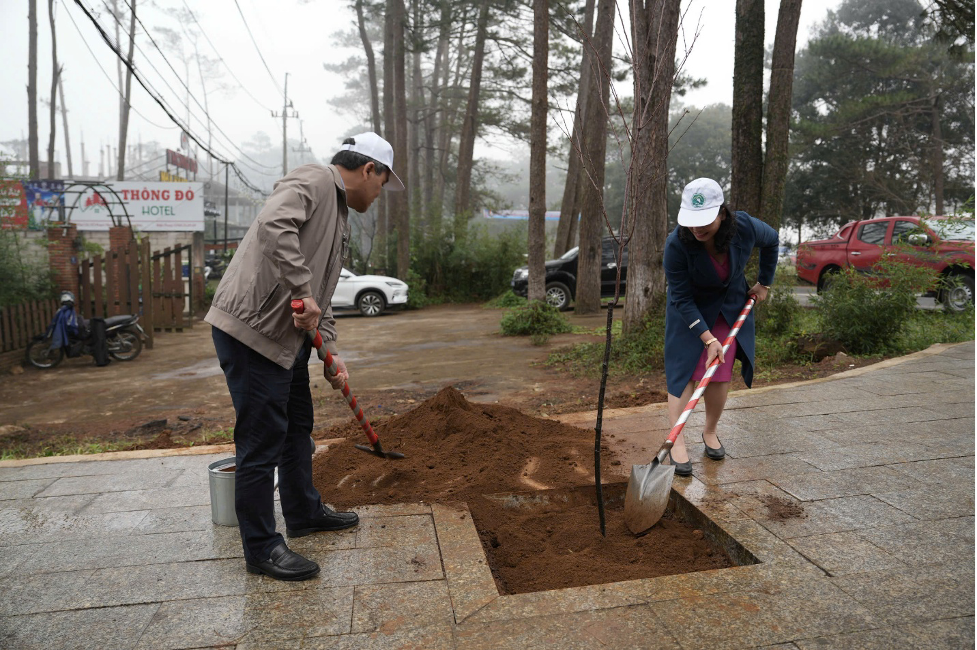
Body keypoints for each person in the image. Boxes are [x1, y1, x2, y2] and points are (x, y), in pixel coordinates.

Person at [205, 132, 404, 581]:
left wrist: (329, 349)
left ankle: (303, 511)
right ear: (368, 169)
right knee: (261, 441)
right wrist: (300, 289)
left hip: (287, 337)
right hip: (254, 331)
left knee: (298, 427)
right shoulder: (314, 179)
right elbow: (275, 225)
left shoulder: (337, 215)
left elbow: (321, 295)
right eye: (382, 183)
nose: (379, 195)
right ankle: (261, 547)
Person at [662, 178, 779, 476]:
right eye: (692, 222)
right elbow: (681, 297)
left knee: (719, 371)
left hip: (728, 306)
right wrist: (706, 336)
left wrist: (764, 282)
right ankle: (676, 442)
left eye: (705, 221)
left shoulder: (745, 227)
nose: (697, 229)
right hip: (688, 311)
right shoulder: (676, 244)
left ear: (723, 213)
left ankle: (710, 431)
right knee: (684, 372)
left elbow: (773, 240)